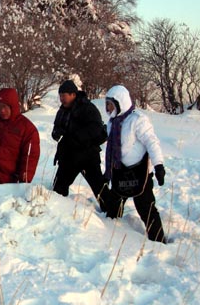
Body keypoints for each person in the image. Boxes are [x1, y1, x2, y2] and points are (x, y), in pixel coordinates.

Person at [103, 85, 167, 243]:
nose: (108, 107)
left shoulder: (137, 119)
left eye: (110, 104)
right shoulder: (112, 122)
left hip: (139, 172)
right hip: (120, 171)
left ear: (120, 103)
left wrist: (159, 165)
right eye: (107, 104)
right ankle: (110, 235)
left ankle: (158, 240)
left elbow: (152, 142)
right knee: (113, 206)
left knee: (146, 208)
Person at [52, 79, 108, 210]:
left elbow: (96, 128)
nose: (62, 99)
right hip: (68, 156)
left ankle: (113, 215)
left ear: (73, 94)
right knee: (58, 188)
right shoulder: (62, 110)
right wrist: (56, 133)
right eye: (60, 96)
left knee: (99, 188)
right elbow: (56, 127)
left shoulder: (88, 108)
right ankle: (58, 211)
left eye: (64, 95)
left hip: (87, 155)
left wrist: (77, 137)